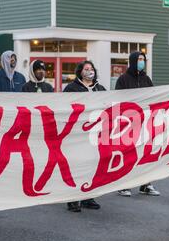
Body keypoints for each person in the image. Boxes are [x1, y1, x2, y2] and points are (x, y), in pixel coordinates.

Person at [114, 51, 160, 197]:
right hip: (128, 122)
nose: (142, 61)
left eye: (143, 59)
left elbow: (152, 97)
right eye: (139, 59)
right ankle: (124, 185)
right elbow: (118, 100)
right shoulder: (123, 79)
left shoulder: (146, 79)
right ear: (133, 61)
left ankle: (145, 184)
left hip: (144, 121)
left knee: (145, 154)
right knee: (129, 154)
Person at [63, 61, 105, 212]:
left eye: (91, 69)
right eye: (86, 69)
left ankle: (88, 197)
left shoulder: (100, 89)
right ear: (80, 72)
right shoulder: (71, 89)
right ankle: (73, 199)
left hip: (94, 135)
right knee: (76, 166)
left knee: (91, 166)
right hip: (77, 135)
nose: (89, 71)